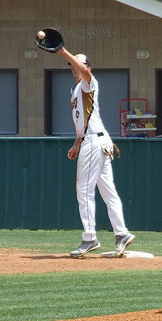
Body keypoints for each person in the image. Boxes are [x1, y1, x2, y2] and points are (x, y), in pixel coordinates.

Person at [56, 47, 135, 258]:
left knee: (84, 190)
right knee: (108, 191)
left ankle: (90, 237)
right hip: (93, 140)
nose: (74, 69)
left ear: (88, 67)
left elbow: (85, 72)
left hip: (94, 143)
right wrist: (76, 143)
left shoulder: (89, 83)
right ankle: (122, 234)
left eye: (78, 65)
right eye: (71, 67)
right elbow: (83, 121)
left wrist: (63, 52)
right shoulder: (75, 90)